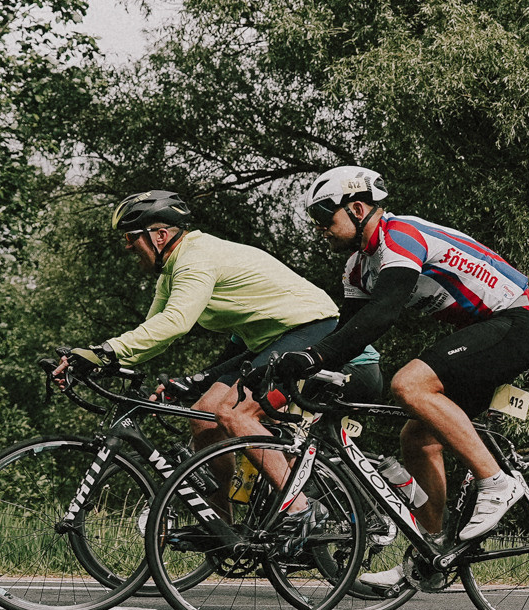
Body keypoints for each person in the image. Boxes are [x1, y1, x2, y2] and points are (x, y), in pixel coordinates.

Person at [269, 167, 529, 573]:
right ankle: (433, 551)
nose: (322, 230)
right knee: (417, 436)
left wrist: (314, 356)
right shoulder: (357, 268)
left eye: (325, 219)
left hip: (519, 322)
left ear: (356, 208)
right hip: (484, 332)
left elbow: (383, 313)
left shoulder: (400, 236)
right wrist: (298, 370)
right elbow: (352, 336)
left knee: (409, 384)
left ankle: (496, 482)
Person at [50, 190, 372, 495]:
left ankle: (299, 511)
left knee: (234, 415)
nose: (128, 247)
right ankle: (222, 537)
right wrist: (100, 362)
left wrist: (103, 352)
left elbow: (175, 323)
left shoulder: (196, 259)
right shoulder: (174, 268)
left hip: (313, 328)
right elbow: (152, 333)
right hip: (273, 340)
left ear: (159, 235)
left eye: (131, 237)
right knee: (203, 415)